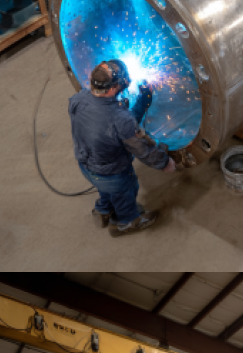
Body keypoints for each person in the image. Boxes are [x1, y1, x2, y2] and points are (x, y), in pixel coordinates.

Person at [70, 59, 176, 236]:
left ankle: (103, 211)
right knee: (126, 192)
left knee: (105, 189)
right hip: (113, 174)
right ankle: (125, 222)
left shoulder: (78, 98)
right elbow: (142, 150)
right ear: (112, 88)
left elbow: (112, 124)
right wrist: (164, 163)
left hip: (85, 165)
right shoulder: (120, 119)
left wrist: (143, 100)